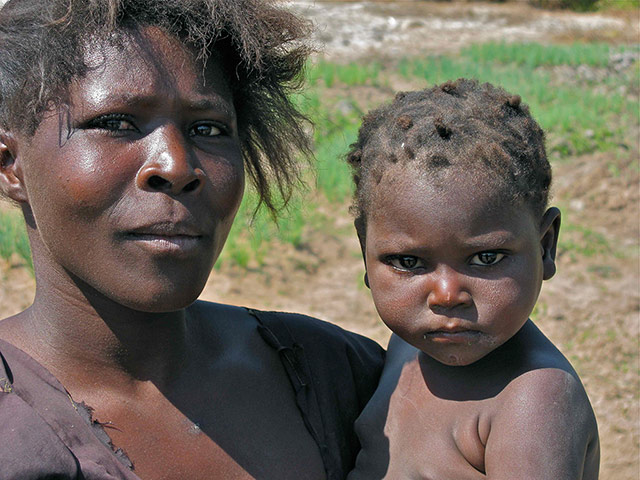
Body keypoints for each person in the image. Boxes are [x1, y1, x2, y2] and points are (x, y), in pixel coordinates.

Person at [0, 0, 384, 478]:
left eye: (207, 129)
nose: (177, 166)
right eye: (117, 123)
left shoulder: (335, 374)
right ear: (9, 164)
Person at [345, 79, 600, 479]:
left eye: (485, 258)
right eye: (409, 262)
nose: (446, 295)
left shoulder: (533, 399)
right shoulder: (407, 347)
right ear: (365, 251)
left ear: (545, 245)